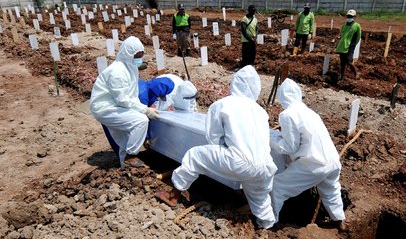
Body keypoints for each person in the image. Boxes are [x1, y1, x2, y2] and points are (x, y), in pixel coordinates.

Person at [157, 66, 278, 229]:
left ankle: (172, 195)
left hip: (239, 162)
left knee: (195, 156)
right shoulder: (260, 111)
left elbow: (213, 137)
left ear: (234, 84)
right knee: (260, 199)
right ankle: (267, 228)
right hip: (265, 166)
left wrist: (219, 158)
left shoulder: (223, 104)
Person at [269, 78, 347, 231]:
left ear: (282, 97)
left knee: (276, 187)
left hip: (314, 163)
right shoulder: (310, 112)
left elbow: (290, 147)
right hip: (332, 160)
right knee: (330, 189)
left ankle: (271, 223)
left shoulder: (287, 114)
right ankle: (339, 220)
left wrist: (270, 137)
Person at [90, 36, 160, 168]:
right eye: (137, 56)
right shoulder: (118, 72)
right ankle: (131, 156)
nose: (139, 58)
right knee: (140, 121)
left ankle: (125, 168)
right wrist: (145, 110)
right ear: (128, 54)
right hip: (105, 108)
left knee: (125, 139)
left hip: (115, 105)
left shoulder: (130, 67)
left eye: (141, 55)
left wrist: (141, 107)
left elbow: (131, 95)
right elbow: (123, 99)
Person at [335, 9, 361, 81]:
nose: (349, 17)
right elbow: (342, 37)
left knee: (349, 61)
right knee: (342, 63)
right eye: (348, 16)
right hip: (342, 46)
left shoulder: (357, 26)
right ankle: (342, 77)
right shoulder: (344, 26)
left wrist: (353, 44)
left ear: (354, 17)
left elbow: (358, 37)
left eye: (351, 16)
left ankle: (356, 73)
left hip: (350, 46)